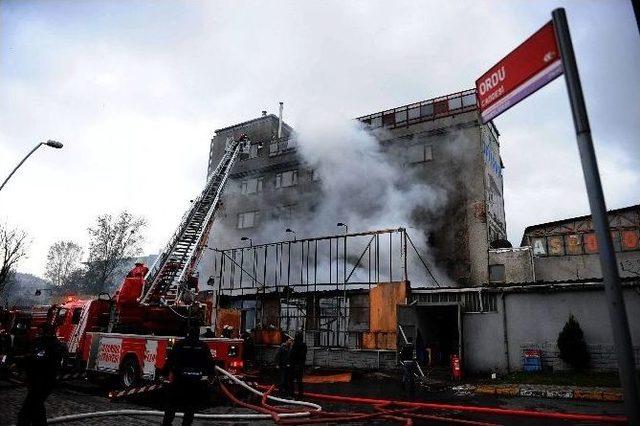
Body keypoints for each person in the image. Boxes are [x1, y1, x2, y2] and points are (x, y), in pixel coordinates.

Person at [162, 325, 215, 426]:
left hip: (179, 381)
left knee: (172, 406)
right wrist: (210, 376)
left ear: (188, 332)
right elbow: (210, 363)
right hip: (195, 383)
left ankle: (166, 424)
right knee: (190, 408)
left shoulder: (180, 344)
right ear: (198, 333)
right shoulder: (203, 346)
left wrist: (164, 373)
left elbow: (170, 360)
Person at [17, 323, 65, 426]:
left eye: (40, 331)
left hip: (42, 382)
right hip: (35, 381)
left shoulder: (54, 345)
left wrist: (28, 358)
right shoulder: (40, 342)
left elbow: (41, 360)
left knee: (27, 411)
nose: (38, 333)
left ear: (47, 332)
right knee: (37, 409)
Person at [288, 331, 307, 398]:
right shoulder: (304, 345)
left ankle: (292, 394)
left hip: (294, 365)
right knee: (299, 381)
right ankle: (300, 394)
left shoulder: (296, 345)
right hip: (300, 366)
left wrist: (293, 345)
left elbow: (292, 355)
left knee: (291, 380)